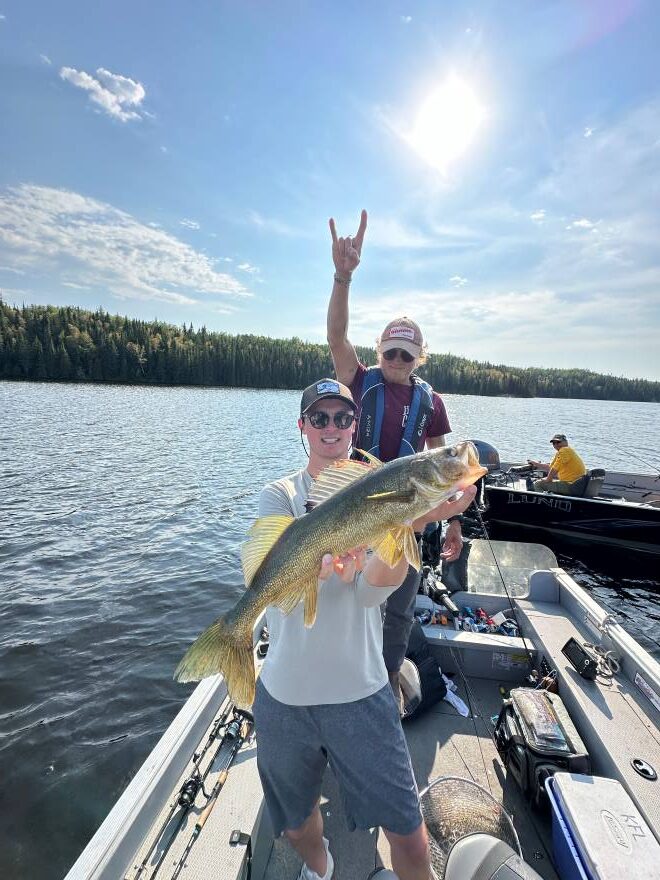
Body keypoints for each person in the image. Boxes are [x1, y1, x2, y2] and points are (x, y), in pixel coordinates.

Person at [252, 378, 473, 880]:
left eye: (343, 418)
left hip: (361, 689)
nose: (332, 427)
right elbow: (276, 589)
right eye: (320, 418)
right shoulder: (279, 496)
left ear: (355, 426)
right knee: (296, 822)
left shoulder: (380, 487)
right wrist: (319, 567)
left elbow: (374, 590)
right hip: (285, 695)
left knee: (412, 840)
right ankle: (321, 866)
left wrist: (412, 525)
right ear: (303, 426)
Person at [326, 209, 473, 708]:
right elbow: (335, 337)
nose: (394, 361)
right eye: (389, 352)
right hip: (357, 509)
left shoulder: (431, 403)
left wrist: (456, 525)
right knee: (348, 597)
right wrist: (343, 276)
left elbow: (448, 472)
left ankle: (385, 682)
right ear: (379, 352)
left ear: (419, 359)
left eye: (405, 355)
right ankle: (341, 679)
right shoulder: (359, 379)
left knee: (399, 607)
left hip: (409, 519)